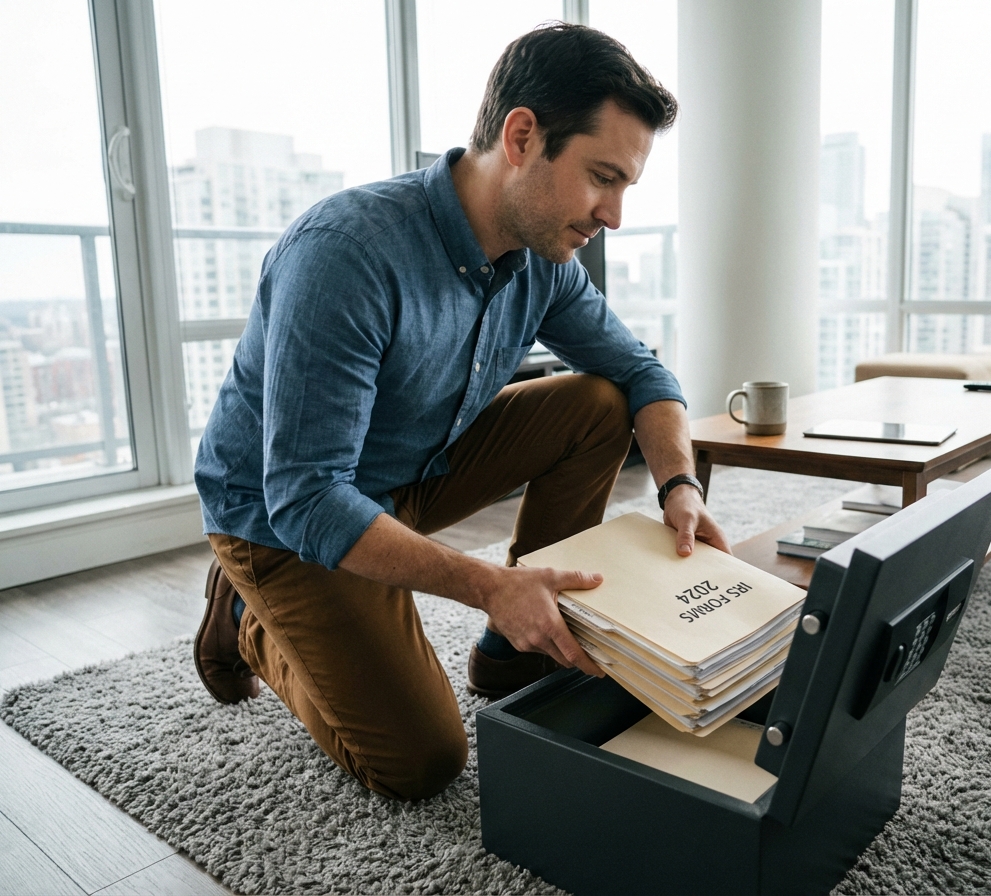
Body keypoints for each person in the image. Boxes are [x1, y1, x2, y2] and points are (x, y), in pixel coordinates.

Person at [192, 22, 730, 801]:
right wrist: (485, 583)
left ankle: (515, 651)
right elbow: (306, 494)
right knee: (419, 762)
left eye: (625, 188)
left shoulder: (544, 257)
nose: (613, 214)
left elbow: (643, 374)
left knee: (597, 401)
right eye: (602, 177)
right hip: (280, 514)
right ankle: (249, 617)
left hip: (410, 471)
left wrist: (682, 486)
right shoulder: (347, 252)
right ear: (522, 136)